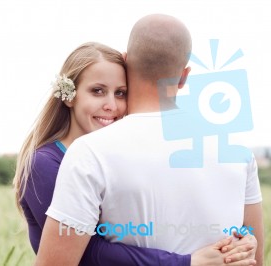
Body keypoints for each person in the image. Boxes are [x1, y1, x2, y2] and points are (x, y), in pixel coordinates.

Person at [36, 14, 264, 266]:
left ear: (125, 62)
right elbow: (254, 257)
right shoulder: (238, 154)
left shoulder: (89, 153)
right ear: (184, 76)